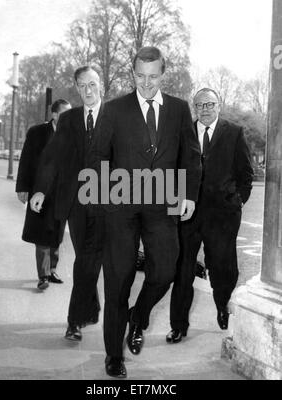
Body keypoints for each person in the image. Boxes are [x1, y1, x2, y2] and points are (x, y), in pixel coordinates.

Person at [92, 46, 202, 378]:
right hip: (121, 206)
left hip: (162, 203)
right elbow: (97, 156)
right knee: (118, 280)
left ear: (163, 74)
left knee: (165, 272)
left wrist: (189, 196)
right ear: (133, 73)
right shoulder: (113, 110)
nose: (146, 83)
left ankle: (138, 317)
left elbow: (191, 155)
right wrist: (105, 201)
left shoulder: (180, 110)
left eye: (153, 76)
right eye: (140, 75)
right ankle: (114, 356)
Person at [166, 88, 254, 344]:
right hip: (188, 215)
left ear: (219, 106)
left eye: (210, 104)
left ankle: (222, 304)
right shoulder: (184, 133)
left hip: (223, 216)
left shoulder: (234, 132)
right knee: (182, 270)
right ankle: (178, 325)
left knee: (224, 269)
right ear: (194, 108)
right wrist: (175, 205)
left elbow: (245, 173)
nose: (205, 109)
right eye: (200, 105)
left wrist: (237, 200)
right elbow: (173, 171)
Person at [30, 66, 104, 341]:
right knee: (86, 258)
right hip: (77, 203)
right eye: (82, 85)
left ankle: (86, 311)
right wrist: (40, 191)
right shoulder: (70, 119)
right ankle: (75, 319)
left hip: (110, 201)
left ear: (101, 85)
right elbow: (52, 157)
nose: (88, 90)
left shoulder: (116, 117)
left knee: (93, 259)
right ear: (77, 88)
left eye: (92, 84)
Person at [16, 99, 71, 290]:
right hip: (40, 192)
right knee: (41, 234)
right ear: (54, 115)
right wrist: (22, 188)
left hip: (62, 194)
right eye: (65, 113)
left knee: (57, 233)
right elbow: (26, 161)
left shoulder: (72, 135)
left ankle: (52, 269)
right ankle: (43, 275)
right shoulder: (37, 133)